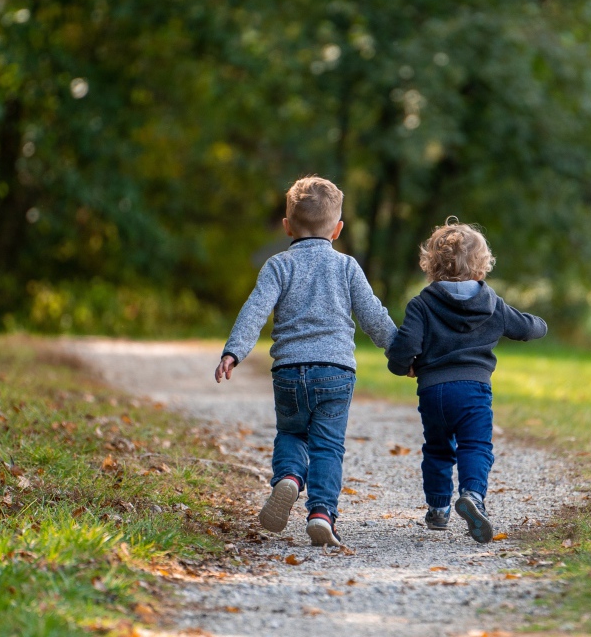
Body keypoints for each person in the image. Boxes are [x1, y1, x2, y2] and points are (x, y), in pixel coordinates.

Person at [214, 176, 396, 547]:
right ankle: (321, 514)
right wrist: (401, 352)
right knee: (327, 446)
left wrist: (233, 351)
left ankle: (290, 478)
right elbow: (373, 316)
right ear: (338, 229)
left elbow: (255, 311)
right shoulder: (347, 267)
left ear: (286, 226)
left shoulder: (278, 266)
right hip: (336, 372)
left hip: (288, 372)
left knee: (291, 433)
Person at [386, 219, 547, 543]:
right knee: (475, 446)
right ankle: (473, 496)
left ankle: (438, 509)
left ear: (432, 266)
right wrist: (542, 324)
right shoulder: (491, 304)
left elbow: (406, 346)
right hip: (474, 392)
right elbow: (527, 328)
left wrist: (402, 367)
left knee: (437, 448)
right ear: (481, 268)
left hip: (433, 393)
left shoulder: (422, 303)